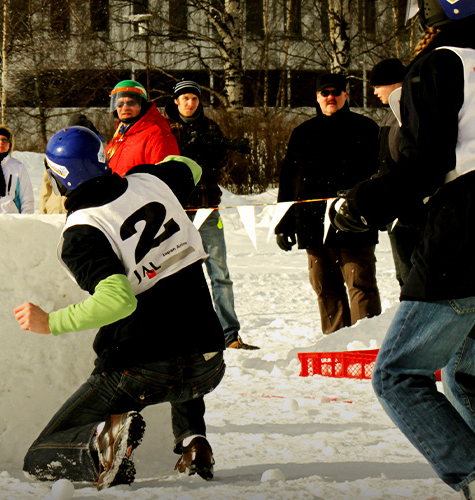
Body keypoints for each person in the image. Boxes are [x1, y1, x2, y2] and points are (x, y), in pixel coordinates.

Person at [333, 0, 475, 500]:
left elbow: (422, 166)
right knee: (468, 373)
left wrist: (356, 205)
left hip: (468, 231)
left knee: (398, 375)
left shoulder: (440, 61)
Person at [14, 126, 226, 490]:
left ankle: (102, 443)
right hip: (208, 362)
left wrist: (50, 322)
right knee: (180, 321)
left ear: (59, 176)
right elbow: (190, 166)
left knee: (39, 457)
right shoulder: (152, 180)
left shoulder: (81, 231)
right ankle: (193, 439)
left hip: (142, 371)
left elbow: (118, 300)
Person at [274, 73, 381, 335]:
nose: (330, 97)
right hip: (311, 222)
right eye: (325, 93)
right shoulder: (302, 133)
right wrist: (283, 223)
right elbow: (289, 180)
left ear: (346, 95)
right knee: (325, 287)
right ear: (317, 97)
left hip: (356, 220)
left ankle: (368, 343)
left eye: (336, 92)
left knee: (361, 284)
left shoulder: (367, 129)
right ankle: (334, 343)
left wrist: (381, 211)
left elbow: (380, 175)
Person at [165, 79, 257, 350]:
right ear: (176, 102)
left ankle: (230, 334)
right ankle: (185, 335)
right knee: (177, 275)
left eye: (194, 98)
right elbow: (161, 165)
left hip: (207, 207)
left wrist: (213, 155)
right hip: (177, 211)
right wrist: (186, 155)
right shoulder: (166, 129)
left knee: (219, 273)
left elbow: (220, 167)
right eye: (185, 99)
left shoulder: (210, 127)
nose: (190, 103)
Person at [370, 58, 422, 287]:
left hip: (413, 209)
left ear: (392, 84)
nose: (373, 92)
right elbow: (386, 163)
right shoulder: (391, 113)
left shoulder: (413, 109)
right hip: (397, 208)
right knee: (404, 276)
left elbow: (409, 161)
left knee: (415, 277)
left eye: (376, 86)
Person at [104, 80, 179, 177]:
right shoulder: (119, 136)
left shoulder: (157, 134)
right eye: (120, 104)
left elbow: (165, 180)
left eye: (131, 103)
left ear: (142, 105)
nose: (125, 107)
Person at [39, 115, 101, 215]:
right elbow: (46, 185)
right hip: (54, 211)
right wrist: (42, 213)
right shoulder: (56, 154)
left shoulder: (97, 154)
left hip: (80, 212)